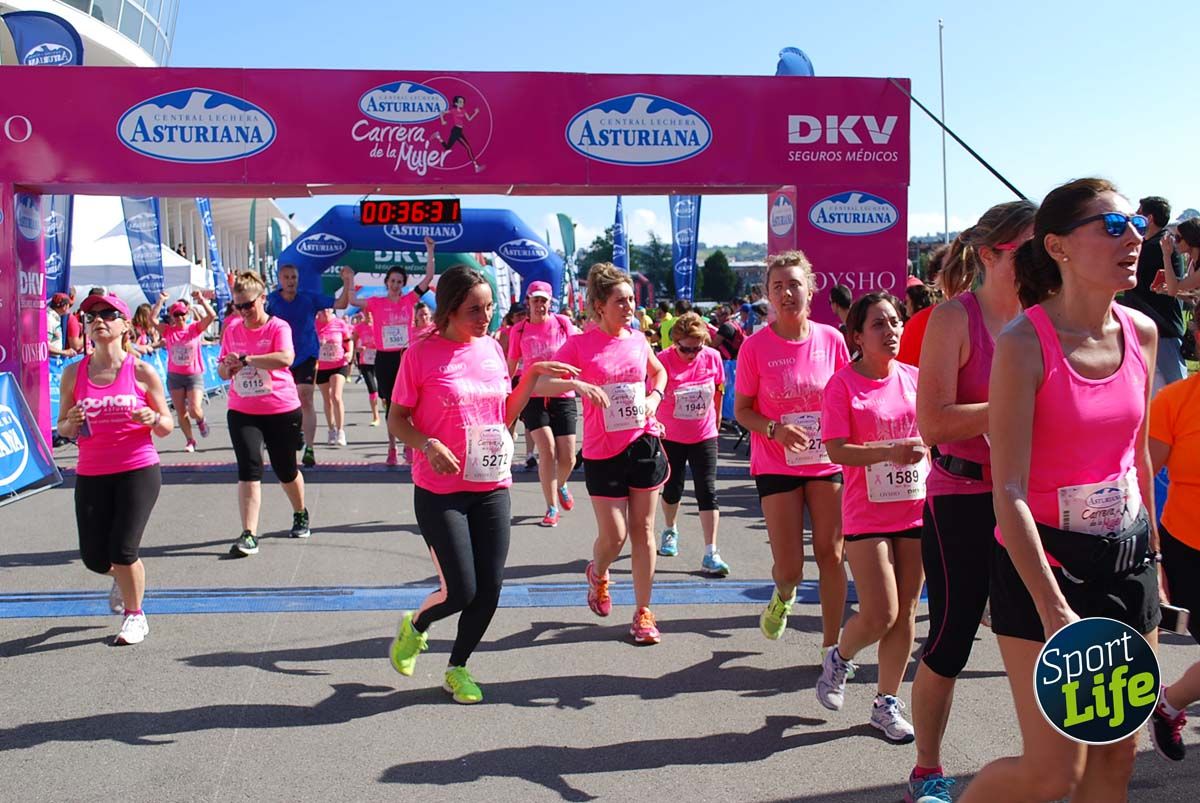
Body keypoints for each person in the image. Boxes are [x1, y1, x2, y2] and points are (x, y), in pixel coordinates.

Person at [959, 179, 1161, 803]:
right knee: (1053, 774)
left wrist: (1156, 552)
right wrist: (1051, 606)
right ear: (1059, 247)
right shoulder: (1023, 344)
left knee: (1117, 756)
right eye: (1111, 226)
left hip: (1126, 561)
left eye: (1134, 224)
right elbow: (1009, 489)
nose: (1132, 237)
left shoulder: (1143, 334)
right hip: (1043, 565)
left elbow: (1139, 453)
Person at [385, 265, 576, 703]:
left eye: (489, 307)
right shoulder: (420, 353)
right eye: (475, 309)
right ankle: (414, 627)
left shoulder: (492, 347)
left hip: (491, 481)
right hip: (439, 488)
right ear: (449, 310)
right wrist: (427, 442)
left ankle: (457, 668)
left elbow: (504, 414)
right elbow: (398, 419)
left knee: (490, 588)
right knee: (461, 589)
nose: (485, 316)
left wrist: (530, 380)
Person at [906, 199, 1036, 803]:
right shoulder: (955, 319)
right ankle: (927, 769)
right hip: (963, 495)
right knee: (953, 636)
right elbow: (932, 422)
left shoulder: (1045, 316)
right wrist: (1010, 403)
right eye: (1029, 251)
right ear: (989, 254)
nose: (1043, 262)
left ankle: (1046, 764)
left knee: (1037, 635)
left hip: (1032, 495)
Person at [538, 262, 670, 644]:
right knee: (614, 535)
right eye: (620, 301)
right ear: (599, 305)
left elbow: (659, 372)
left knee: (644, 530)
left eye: (631, 300)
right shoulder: (579, 344)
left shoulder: (638, 339)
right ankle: (598, 572)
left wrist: (653, 397)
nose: (629, 307)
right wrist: (577, 384)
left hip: (642, 442)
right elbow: (539, 381)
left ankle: (643, 612)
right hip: (601, 451)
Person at [819, 292, 928, 744]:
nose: (891, 331)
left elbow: (933, 433)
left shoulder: (916, 378)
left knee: (905, 613)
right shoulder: (842, 385)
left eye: (895, 321)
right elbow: (836, 450)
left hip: (916, 506)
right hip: (867, 511)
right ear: (858, 336)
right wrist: (889, 451)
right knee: (880, 611)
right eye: (879, 324)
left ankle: (886, 703)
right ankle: (840, 657)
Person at [734, 251, 851, 655]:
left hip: (825, 462)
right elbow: (742, 410)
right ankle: (782, 596)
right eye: (778, 287)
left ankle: (831, 647)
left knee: (831, 554)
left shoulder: (832, 340)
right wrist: (775, 430)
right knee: (791, 569)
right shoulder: (755, 347)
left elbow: (845, 396)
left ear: (810, 289)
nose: (787, 293)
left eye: (794, 284)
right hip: (776, 462)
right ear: (767, 294)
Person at [55, 293, 174, 645]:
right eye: (91, 316)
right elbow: (62, 425)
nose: (99, 320)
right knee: (94, 557)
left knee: (123, 550)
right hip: (92, 470)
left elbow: (167, 425)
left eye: (108, 314)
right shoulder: (74, 373)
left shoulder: (140, 370)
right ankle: (122, 578)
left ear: (125, 326)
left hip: (137, 468)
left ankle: (135, 616)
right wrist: (70, 423)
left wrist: (153, 418)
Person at [218, 271, 311, 557]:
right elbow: (221, 370)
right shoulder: (232, 329)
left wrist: (247, 359)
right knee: (249, 467)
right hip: (243, 409)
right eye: (238, 306)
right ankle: (249, 533)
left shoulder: (277, 327)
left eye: (249, 305)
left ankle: (300, 512)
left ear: (262, 300)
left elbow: (286, 358)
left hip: (280, 407)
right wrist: (230, 368)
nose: (244, 311)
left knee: (285, 470)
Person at [339, 238, 436, 466]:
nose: (395, 284)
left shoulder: (410, 299)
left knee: (410, 403)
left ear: (403, 284)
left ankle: (409, 445)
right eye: (392, 281)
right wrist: (349, 279)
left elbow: (428, 278)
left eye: (399, 281)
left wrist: (430, 250)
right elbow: (352, 299)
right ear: (386, 282)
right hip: (384, 359)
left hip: (405, 356)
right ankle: (392, 446)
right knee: (391, 405)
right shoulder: (375, 303)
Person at [1145, 368, 1200, 759]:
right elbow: (1139, 477)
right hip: (1188, 552)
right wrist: (1153, 554)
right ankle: (1167, 707)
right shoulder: (1175, 401)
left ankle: (1167, 706)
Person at [656, 312, 729, 575]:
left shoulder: (712, 357)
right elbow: (651, 393)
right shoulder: (662, 361)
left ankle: (711, 551)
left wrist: (718, 415)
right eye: (686, 349)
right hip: (671, 434)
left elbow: (719, 386)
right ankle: (670, 529)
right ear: (675, 342)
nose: (691, 354)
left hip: (704, 432)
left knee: (707, 490)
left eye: (696, 348)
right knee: (673, 488)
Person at [507, 281, 579, 527]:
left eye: (543, 300)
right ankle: (551, 507)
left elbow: (578, 351)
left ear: (550, 302)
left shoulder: (562, 323)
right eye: (535, 300)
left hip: (563, 394)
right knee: (546, 449)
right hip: (533, 396)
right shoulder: (518, 330)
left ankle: (561, 484)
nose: (540, 305)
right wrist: (506, 391)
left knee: (568, 457)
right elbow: (512, 363)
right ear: (528, 301)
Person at [267, 263, 347, 467]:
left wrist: (347, 282)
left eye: (293, 277)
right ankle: (296, 432)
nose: (291, 281)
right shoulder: (272, 300)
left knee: (305, 397)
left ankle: (310, 448)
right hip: (280, 355)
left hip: (306, 355)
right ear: (279, 280)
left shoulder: (309, 297)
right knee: (282, 401)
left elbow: (341, 303)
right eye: (286, 277)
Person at [1118, 197, 1188, 391]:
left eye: (1139, 213)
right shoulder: (1155, 243)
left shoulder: (1158, 246)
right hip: (1153, 326)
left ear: (1149, 218)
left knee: (1177, 387)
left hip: (1161, 328)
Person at [162, 291, 217, 452]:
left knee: (194, 409)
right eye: (176, 315)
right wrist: (160, 301)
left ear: (187, 314)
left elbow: (212, 315)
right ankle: (190, 440)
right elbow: (151, 320)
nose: (180, 318)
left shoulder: (194, 328)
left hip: (193, 375)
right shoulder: (168, 331)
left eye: (182, 314)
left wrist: (201, 299)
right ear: (172, 316)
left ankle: (201, 420)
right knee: (181, 411)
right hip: (175, 376)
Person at [315, 308, 354, 446]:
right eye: (323, 308)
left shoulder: (339, 323)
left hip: (339, 363)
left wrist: (350, 353)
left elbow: (348, 340)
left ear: (332, 309)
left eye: (328, 308)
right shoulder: (313, 324)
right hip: (321, 366)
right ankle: (331, 429)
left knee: (336, 396)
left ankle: (341, 431)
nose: (325, 311)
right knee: (327, 400)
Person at [434, 95, 484, 173]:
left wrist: (476, 113)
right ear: (456, 103)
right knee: (468, 147)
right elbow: (441, 112)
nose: (462, 103)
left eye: (463, 102)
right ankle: (476, 166)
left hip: (459, 131)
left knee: (447, 147)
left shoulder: (463, 110)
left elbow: (469, 119)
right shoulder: (453, 110)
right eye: (460, 102)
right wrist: (442, 121)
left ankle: (438, 136)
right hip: (456, 131)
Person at [351, 312, 380, 427]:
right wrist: (356, 350)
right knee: (372, 389)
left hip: (379, 360)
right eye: (366, 315)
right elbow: (353, 341)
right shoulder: (359, 327)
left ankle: (384, 401)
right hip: (365, 361)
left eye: (371, 314)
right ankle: (375, 416)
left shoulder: (379, 324)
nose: (369, 317)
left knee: (382, 391)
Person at [47, 292, 76, 357]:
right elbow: (45, 345)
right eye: (69, 305)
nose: (69, 308)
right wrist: (65, 352)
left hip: (54, 361)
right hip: (50, 362)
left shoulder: (54, 318)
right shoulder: (50, 319)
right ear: (65, 306)